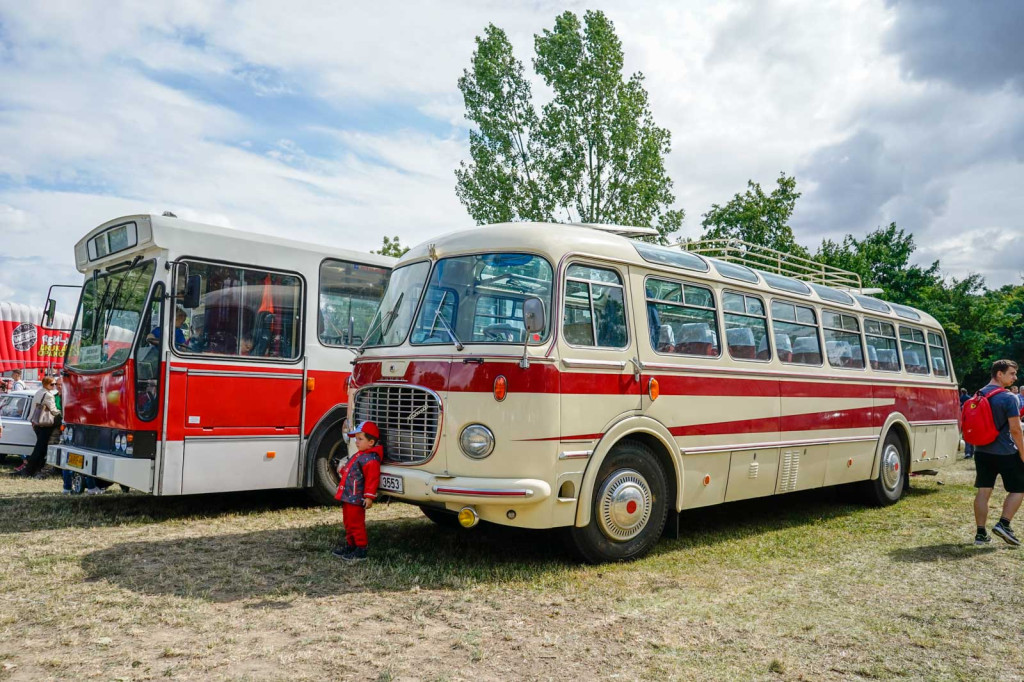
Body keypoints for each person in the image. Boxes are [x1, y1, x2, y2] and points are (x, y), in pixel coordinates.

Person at [971, 359, 1024, 546]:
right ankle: (1004, 523)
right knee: (1019, 488)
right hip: (1005, 451)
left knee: (983, 491)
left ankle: (980, 534)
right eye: (1012, 373)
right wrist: (1023, 453)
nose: (1015, 377)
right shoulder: (1010, 398)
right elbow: (1016, 429)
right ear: (999, 374)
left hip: (981, 450)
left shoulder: (978, 394)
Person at [331, 420, 383, 562]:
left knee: (356, 523)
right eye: (356, 439)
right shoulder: (360, 455)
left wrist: (369, 497)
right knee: (348, 521)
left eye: (360, 439)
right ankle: (351, 545)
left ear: (371, 442)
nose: (356, 442)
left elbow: (372, 479)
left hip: (356, 497)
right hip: (348, 496)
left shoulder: (371, 459)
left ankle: (361, 548)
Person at [15, 376, 61, 477]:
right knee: (40, 448)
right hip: (45, 424)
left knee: (41, 448)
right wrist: (63, 414)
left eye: (54, 384)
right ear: (46, 384)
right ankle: (30, 470)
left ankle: (33, 469)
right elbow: (54, 410)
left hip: (36, 423)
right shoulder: (48, 395)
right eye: (52, 384)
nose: (54, 386)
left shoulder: (39, 391)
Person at [960, 387, 976, 459]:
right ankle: (971, 452)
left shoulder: (964, 404)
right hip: (972, 423)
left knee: (967, 439)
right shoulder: (972, 403)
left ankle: (968, 453)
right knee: (971, 438)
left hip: (967, 424)